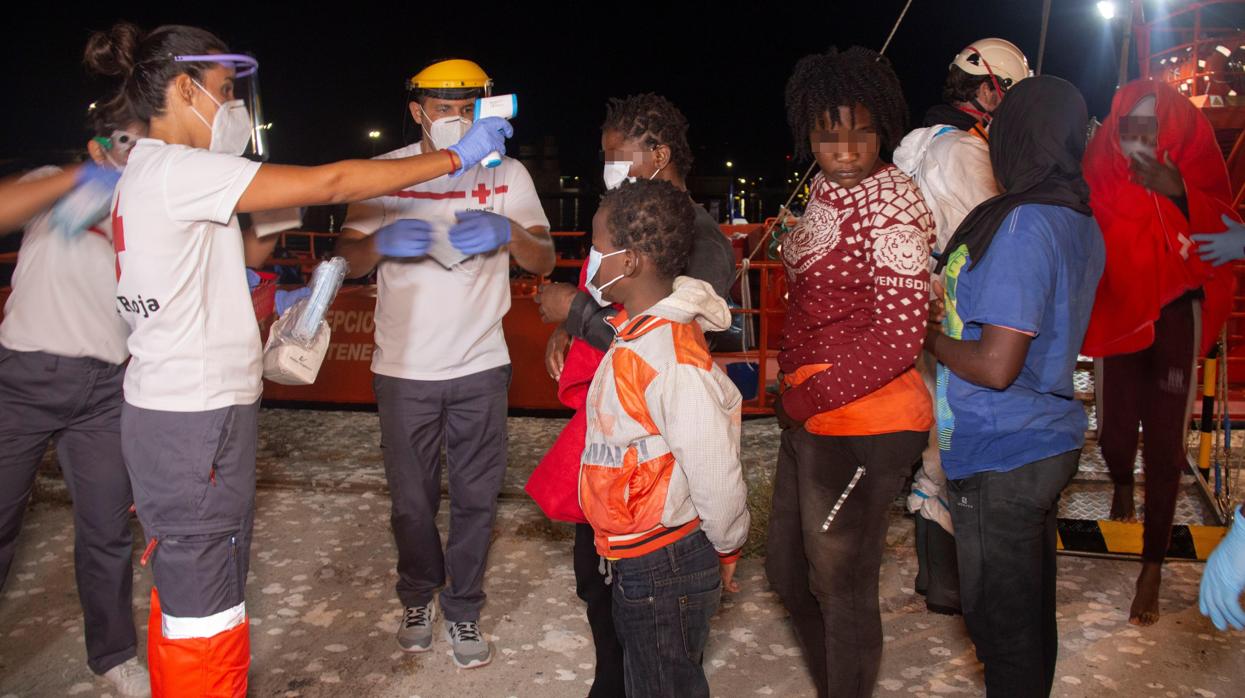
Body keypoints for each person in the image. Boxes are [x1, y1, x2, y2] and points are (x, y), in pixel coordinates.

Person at [85, 23, 511, 696]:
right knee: (206, 608)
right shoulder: (178, 168)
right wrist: (455, 161)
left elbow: (235, 262)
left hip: (181, 408)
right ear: (181, 88)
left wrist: (296, 289)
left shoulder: (151, 172)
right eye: (225, 92)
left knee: (204, 587)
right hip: (193, 421)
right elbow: (335, 179)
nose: (232, 109)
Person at [333, 58, 553, 670]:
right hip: (403, 368)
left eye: (466, 107)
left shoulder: (506, 171)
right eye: (443, 106)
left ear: (483, 109)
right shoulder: (385, 172)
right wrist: (378, 244)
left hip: (481, 363)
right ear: (416, 111)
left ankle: (462, 608)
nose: (456, 117)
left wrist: (508, 232)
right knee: (410, 501)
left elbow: (542, 257)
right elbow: (347, 257)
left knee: (478, 499)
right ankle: (415, 594)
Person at [527, 93, 736, 698]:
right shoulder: (628, 218)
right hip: (614, 454)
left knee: (651, 630)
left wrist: (581, 315)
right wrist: (573, 329)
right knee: (600, 589)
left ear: (659, 153)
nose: (607, 169)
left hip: (657, 475)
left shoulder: (696, 239)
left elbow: (668, 335)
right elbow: (618, 308)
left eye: (616, 158)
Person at [925, 76, 1104, 697]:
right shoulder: (1076, 215)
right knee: (1026, 617)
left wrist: (930, 336)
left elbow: (997, 363)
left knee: (1003, 628)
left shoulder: (1027, 221)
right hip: (1044, 436)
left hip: (1005, 444)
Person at [766, 46, 936, 698]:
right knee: (786, 571)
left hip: (865, 419)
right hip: (812, 410)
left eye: (859, 131)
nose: (842, 148)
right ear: (808, 135)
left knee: (839, 582)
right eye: (827, 134)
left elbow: (898, 337)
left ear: (882, 128)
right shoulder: (826, 191)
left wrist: (808, 396)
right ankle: (839, 682)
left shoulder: (892, 201)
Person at [577, 178, 748, 698]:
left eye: (598, 248)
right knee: (647, 677)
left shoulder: (671, 360)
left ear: (629, 263)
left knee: (663, 684)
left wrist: (728, 545)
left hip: (666, 562)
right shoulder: (637, 334)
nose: (590, 260)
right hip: (639, 555)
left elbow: (715, 471)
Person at [0, 106, 149, 697]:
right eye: (122, 143)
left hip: (105, 393)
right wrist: (81, 178)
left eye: (144, 146)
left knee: (107, 531)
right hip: (24, 379)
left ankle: (112, 655)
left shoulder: (143, 211)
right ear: (96, 146)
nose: (132, 154)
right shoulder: (48, 181)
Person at [1082, 78, 1239, 626]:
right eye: (1131, 125)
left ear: (1169, 125)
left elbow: (1229, 228)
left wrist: (1180, 193)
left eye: (1151, 125)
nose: (1138, 138)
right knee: (1116, 432)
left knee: (1167, 441)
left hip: (1177, 310)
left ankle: (1153, 565)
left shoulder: (1190, 161)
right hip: (1120, 312)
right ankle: (1123, 479)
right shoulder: (1097, 166)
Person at [892, 37, 1031, 616]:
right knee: (956, 446)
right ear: (988, 90)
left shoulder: (915, 144)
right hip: (958, 313)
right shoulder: (970, 155)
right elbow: (996, 237)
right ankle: (952, 582)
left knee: (933, 442)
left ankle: (935, 579)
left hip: (916, 312)